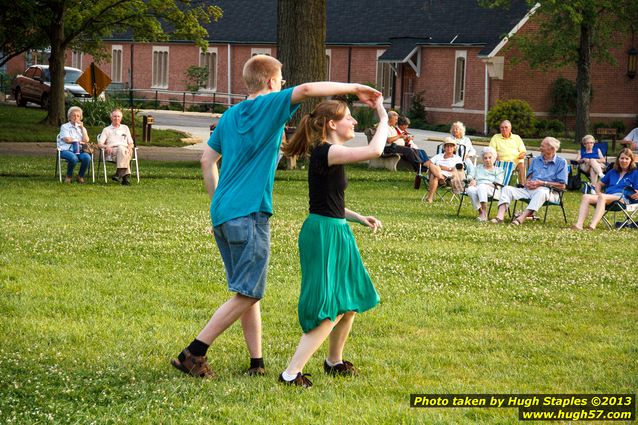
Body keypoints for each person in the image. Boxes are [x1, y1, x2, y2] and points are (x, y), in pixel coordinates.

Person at [170, 54, 382, 379]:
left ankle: (257, 362)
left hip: (223, 215)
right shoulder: (268, 105)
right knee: (250, 292)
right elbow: (309, 88)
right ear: (271, 82)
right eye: (281, 80)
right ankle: (194, 352)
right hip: (249, 213)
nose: (284, 84)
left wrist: (219, 203)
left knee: (245, 291)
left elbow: (206, 161)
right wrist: (355, 87)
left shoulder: (229, 115)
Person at [277, 97, 386, 388]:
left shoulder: (329, 153)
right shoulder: (328, 151)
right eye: (348, 117)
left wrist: (358, 217)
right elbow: (376, 149)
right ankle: (290, 373)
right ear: (331, 124)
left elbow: (327, 202)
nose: (353, 122)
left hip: (334, 228)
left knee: (349, 301)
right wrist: (383, 115)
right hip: (324, 234)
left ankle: (333, 361)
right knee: (330, 308)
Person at [491, 137, 567, 225]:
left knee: (542, 191)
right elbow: (529, 177)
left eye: (542, 146)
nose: (540, 148)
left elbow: (562, 185)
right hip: (530, 190)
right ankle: (499, 217)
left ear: (552, 149)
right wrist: (528, 183)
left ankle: (521, 218)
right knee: (507, 189)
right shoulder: (536, 160)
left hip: (550, 192)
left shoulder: (561, 162)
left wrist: (542, 183)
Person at [572, 148, 638, 230]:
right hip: (608, 196)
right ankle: (579, 225)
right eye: (622, 158)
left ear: (631, 160)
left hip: (623, 198)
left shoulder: (635, 173)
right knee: (586, 196)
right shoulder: (613, 172)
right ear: (618, 159)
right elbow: (599, 184)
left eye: (627, 158)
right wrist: (598, 193)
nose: (624, 161)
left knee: (603, 197)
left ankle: (592, 225)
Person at [465, 147, 504, 222]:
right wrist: (472, 180)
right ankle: (481, 212)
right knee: (470, 189)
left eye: (490, 157)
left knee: (482, 186)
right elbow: (469, 176)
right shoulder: (478, 168)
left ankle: (484, 213)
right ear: (483, 160)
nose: (487, 160)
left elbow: (498, 183)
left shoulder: (499, 170)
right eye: (485, 158)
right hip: (478, 188)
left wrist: (483, 184)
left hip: (493, 190)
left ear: (494, 158)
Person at [97, 108, 134, 185]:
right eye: (114, 116)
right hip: (112, 152)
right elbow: (100, 143)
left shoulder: (125, 128)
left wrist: (130, 147)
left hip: (125, 150)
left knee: (123, 149)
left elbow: (131, 142)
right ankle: (124, 178)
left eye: (118, 116)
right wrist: (106, 146)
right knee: (123, 150)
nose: (116, 118)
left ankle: (119, 174)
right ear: (111, 118)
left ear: (121, 118)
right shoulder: (106, 129)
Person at [57, 106, 91, 183]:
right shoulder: (65, 127)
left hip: (80, 150)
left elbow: (86, 140)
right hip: (66, 149)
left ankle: (80, 176)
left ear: (80, 118)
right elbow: (67, 139)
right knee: (73, 158)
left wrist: (82, 129)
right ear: (69, 117)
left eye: (78, 116)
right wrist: (79, 141)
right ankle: (69, 176)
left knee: (87, 157)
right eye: (73, 115)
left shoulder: (82, 128)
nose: (76, 117)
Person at [425, 137, 464, 203]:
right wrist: (439, 167)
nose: (449, 148)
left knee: (433, 175)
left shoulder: (457, 158)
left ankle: (430, 198)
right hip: (438, 172)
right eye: (447, 146)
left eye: (451, 146)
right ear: (444, 148)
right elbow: (426, 164)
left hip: (449, 175)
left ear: (454, 148)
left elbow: (459, 168)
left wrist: (444, 168)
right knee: (432, 166)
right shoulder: (438, 156)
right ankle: (441, 178)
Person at [489, 120, 526, 185]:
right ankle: (500, 185)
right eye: (502, 127)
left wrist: (519, 157)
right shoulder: (495, 137)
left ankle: (522, 185)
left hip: (515, 162)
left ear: (510, 128)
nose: (504, 129)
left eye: (506, 127)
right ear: (500, 128)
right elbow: (491, 151)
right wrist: (497, 157)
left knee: (521, 164)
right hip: (501, 162)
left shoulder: (516, 137)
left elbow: (523, 152)